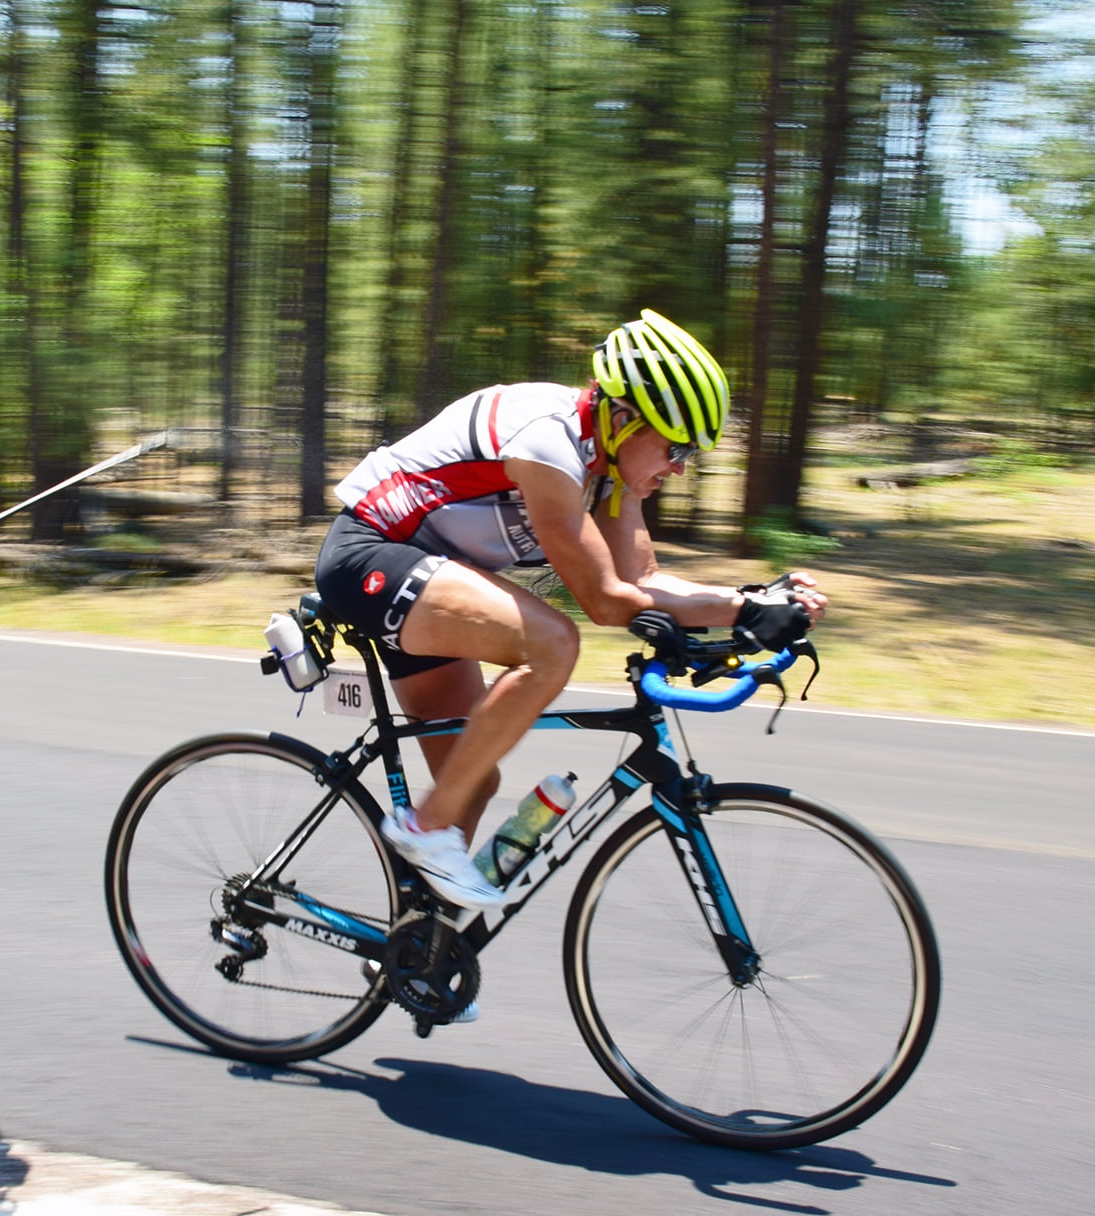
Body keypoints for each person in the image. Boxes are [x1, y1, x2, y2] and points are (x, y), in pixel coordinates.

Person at [314, 308, 828, 917]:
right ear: (626, 419)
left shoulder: (605, 471)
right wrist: (742, 611)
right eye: (676, 444)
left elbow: (644, 580)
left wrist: (755, 603)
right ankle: (424, 829)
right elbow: (606, 601)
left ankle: (415, 946)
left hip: (429, 580)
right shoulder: (548, 440)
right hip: (370, 556)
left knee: (472, 774)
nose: (682, 465)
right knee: (553, 643)